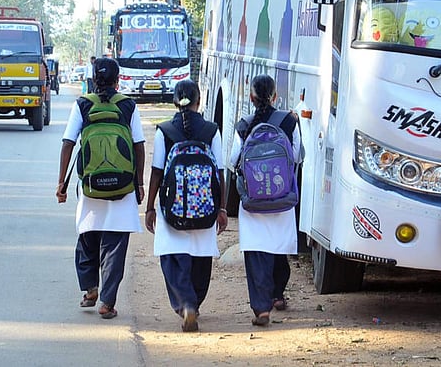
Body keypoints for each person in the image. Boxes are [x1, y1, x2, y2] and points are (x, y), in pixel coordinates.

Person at [56, 58, 145, 320]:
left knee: (87, 238)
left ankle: (90, 289)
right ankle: (107, 302)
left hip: (91, 187)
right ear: (119, 80)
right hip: (123, 187)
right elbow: (138, 145)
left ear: (93, 80)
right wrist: (139, 183)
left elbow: (68, 143)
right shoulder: (129, 106)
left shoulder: (83, 105)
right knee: (114, 247)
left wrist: (61, 183)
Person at [145, 79, 228, 332]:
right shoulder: (212, 130)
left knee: (171, 256)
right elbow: (220, 173)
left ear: (173, 101)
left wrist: (150, 208)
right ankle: (195, 301)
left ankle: (185, 303)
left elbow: (158, 172)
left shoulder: (165, 130)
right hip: (206, 206)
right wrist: (222, 208)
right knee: (201, 256)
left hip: (173, 209)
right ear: (198, 101)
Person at [229, 74, 301, 327]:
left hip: (253, 200)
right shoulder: (289, 122)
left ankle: (262, 308)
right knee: (278, 246)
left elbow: (232, 160)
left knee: (257, 251)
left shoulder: (244, 125)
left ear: (251, 97)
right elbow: (297, 156)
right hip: (282, 198)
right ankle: (277, 295)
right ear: (275, 97)